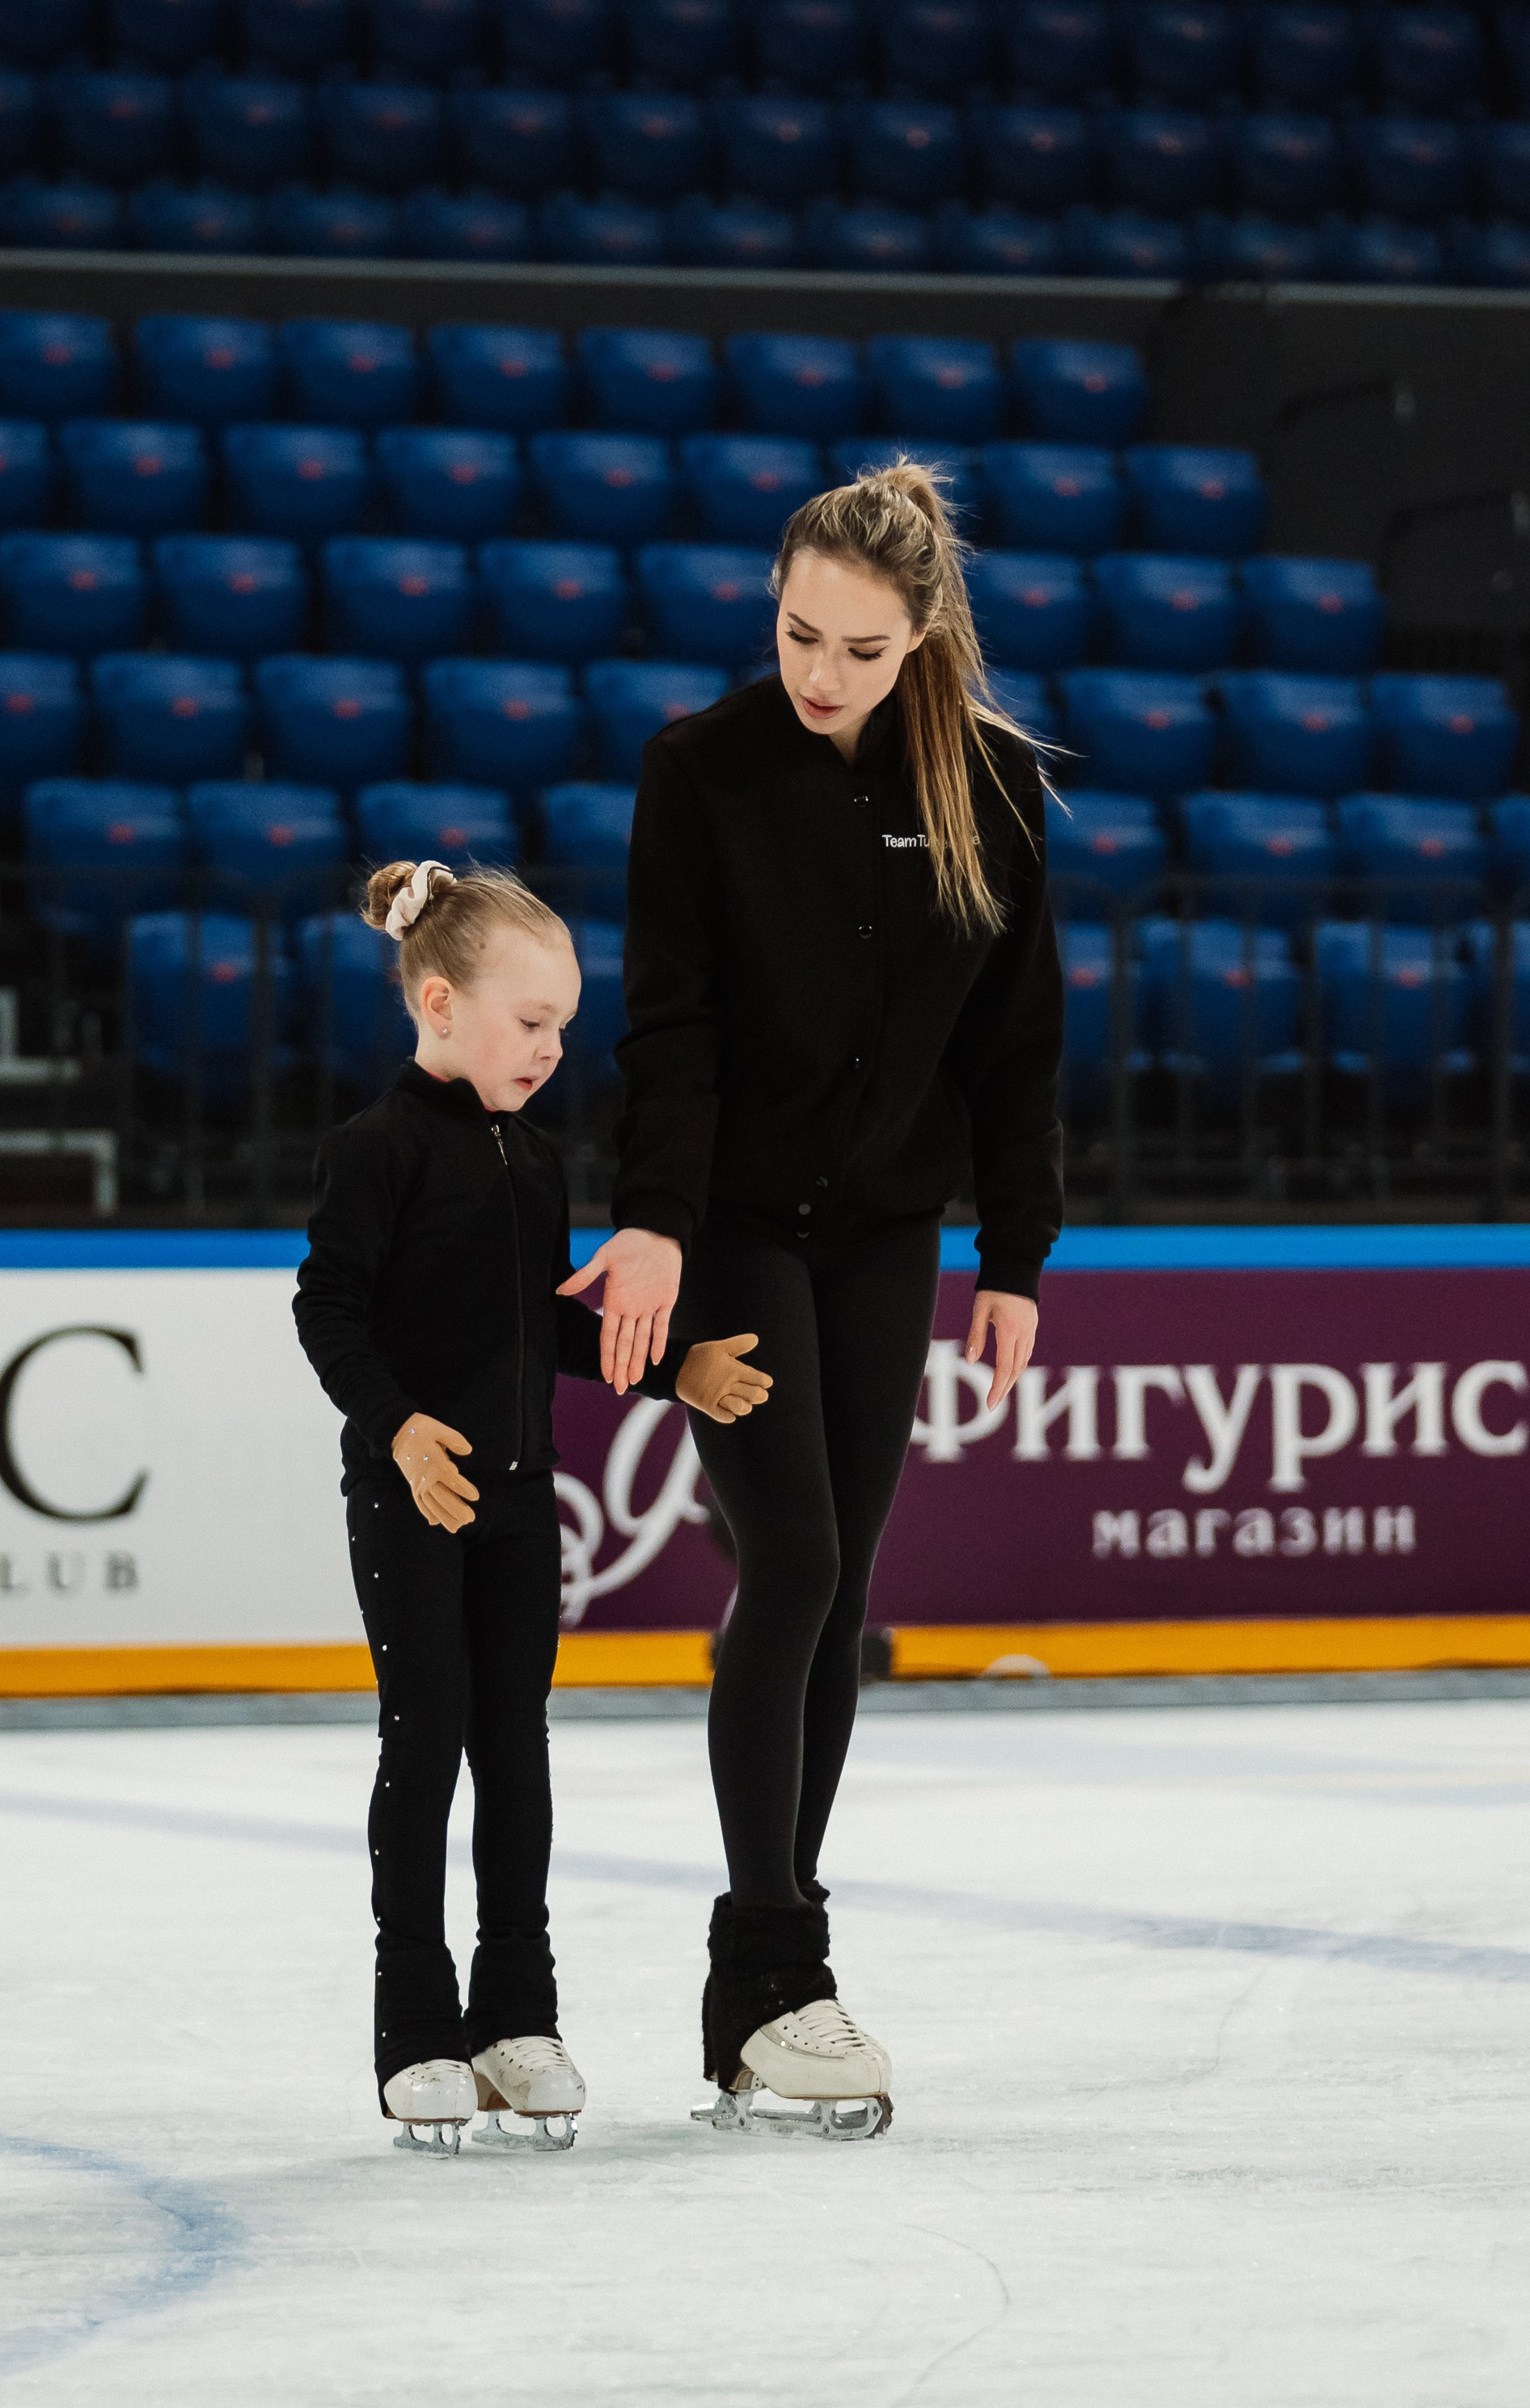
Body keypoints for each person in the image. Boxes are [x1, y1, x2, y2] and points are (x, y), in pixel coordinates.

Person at [559, 463, 1064, 2139]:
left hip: (890, 1232)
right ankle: (773, 1960)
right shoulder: (696, 771)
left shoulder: (989, 784)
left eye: (858, 645)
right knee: (793, 1555)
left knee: (837, 1585)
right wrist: (648, 1227)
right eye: (796, 634)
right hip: (741, 1229)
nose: (820, 671)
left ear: (921, 636)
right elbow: (674, 1029)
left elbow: (1016, 1044)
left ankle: (771, 1987)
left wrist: (1015, 1259)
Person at [293, 860, 771, 2155]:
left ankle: (517, 2016)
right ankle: (414, 2030)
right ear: (440, 1004)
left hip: (521, 1504)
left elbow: (549, 1331)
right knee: (429, 1738)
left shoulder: (535, 1159)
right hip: (417, 1503)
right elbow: (325, 1311)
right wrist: (394, 1428)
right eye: (531, 1023)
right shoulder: (376, 1150)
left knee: (517, 1748)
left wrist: (678, 1371)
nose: (553, 1050)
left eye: (565, 1028)